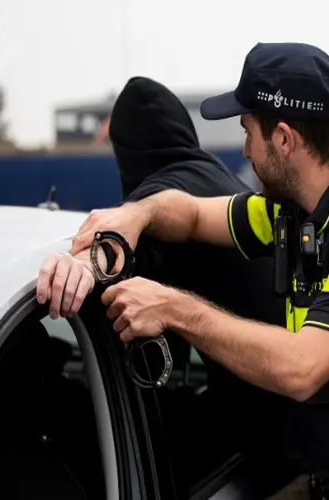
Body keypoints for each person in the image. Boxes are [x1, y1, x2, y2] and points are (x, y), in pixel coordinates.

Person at [42, 42, 329, 500]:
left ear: (285, 139)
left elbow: (301, 368)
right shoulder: (295, 213)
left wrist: (173, 308)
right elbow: (192, 214)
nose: (246, 150)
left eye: (248, 131)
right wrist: (135, 215)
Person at [40, 75, 293, 494]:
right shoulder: (218, 186)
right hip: (286, 424)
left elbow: (131, 246)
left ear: (129, 155)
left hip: (267, 447)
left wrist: (83, 264)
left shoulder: (164, 193)